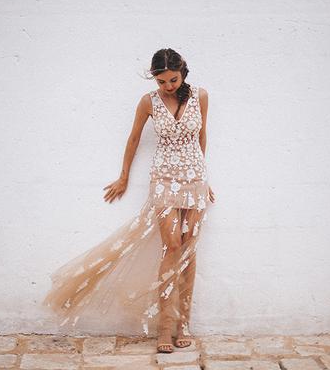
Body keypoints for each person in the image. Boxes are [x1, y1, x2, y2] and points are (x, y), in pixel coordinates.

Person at [42, 48, 215, 354]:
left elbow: (202, 136)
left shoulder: (200, 96)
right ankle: (165, 326)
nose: (168, 86)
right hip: (163, 178)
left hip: (195, 180)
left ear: (183, 72)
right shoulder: (148, 102)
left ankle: (184, 324)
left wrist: (204, 177)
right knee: (172, 246)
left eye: (172, 80)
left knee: (188, 249)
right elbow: (134, 138)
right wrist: (123, 177)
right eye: (162, 81)